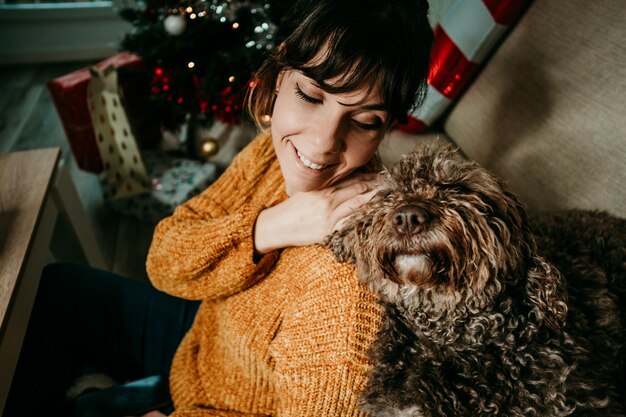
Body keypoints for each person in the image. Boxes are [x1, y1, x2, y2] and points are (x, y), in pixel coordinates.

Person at [4, 0, 432, 415]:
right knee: (55, 288)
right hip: (203, 337)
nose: (321, 144)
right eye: (311, 95)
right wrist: (269, 227)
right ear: (280, 74)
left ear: (386, 129)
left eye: (364, 121)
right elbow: (165, 260)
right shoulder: (272, 150)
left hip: (216, 401)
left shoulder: (347, 294)